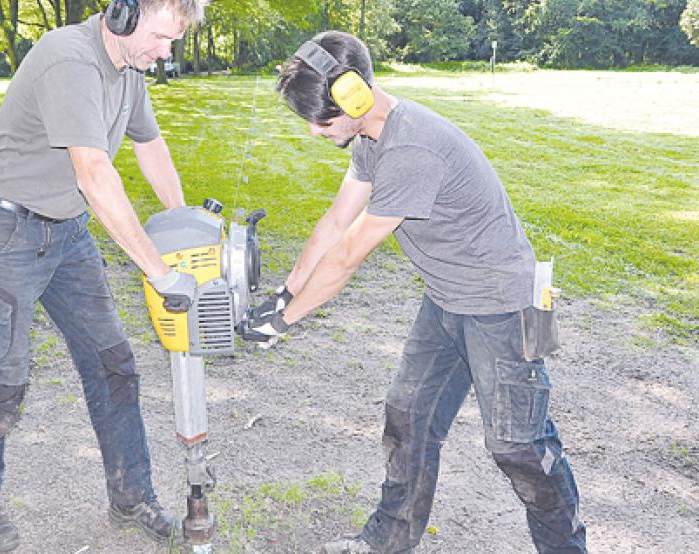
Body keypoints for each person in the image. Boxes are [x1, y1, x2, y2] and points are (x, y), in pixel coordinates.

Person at [249, 31, 587, 554]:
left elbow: (347, 256)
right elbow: (336, 222)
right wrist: (282, 294)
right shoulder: (370, 138)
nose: (316, 133)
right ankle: (386, 540)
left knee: (518, 446)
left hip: (507, 306)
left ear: (355, 97)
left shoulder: (411, 149)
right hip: (448, 300)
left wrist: (287, 320)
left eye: (323, 120)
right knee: (408, 417)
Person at [0, 1, 206, 551]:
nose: (166, 52)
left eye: (173, 41)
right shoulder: (70, 60)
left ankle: (131, 496)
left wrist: (183, 225)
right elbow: (94, 172)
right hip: (3, 233)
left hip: (66, 233)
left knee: (114, 366)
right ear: (123, 14)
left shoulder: (130, 68)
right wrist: (159, 271)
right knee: (0, 385)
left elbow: (150, 144)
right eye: (161, 37)